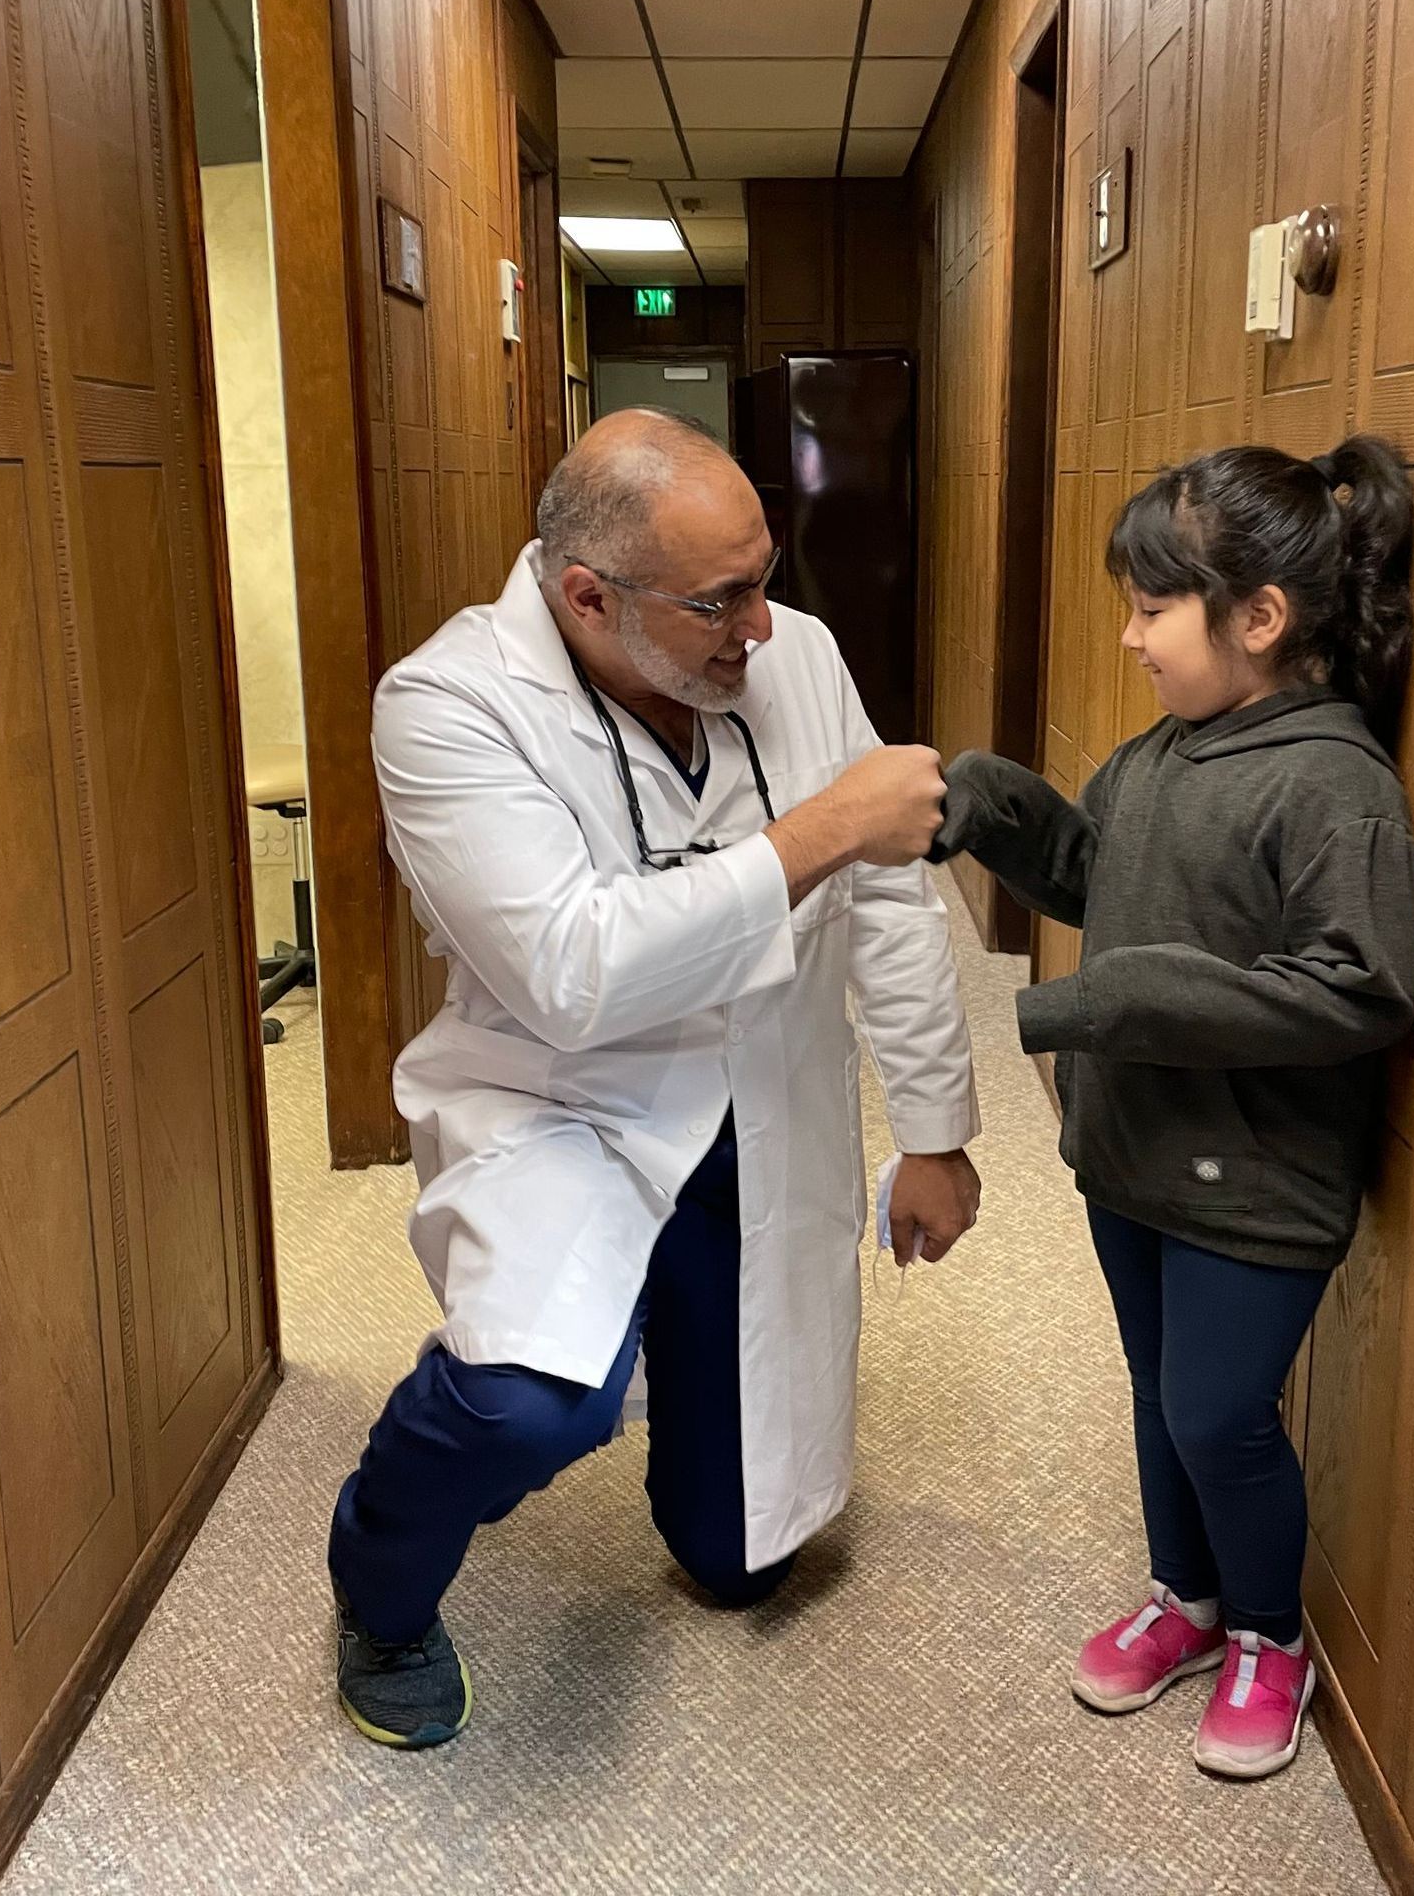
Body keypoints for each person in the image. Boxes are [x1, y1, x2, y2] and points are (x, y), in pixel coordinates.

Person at [327, 409, 982, 1748]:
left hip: (761, 1105)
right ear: (588, 596)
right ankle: (377, 1580)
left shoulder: (788, 654)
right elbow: (573, 970)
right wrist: (819, 832)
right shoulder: (447, 707)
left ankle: (670, 1360)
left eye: (764, 576)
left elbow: (893, 903)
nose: (761, 628)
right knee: (529, 1406)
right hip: (570, 1101)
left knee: (740, 1564)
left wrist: (934, 1129)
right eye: (720, 601)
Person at [931, 437, 1414, 1781]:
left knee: (1217, 1412)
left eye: (1155, 607)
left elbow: (1356, 989)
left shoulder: (1332, 783)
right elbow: (1100, 873)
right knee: (1158, 1392)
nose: (1132, 635)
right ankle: (1188, 1600)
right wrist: (994, 804)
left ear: (1260, 619)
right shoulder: (1166, 755)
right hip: (1135, 1154)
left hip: (1258, 1179)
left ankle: (1269, 1633)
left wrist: (1117, 1003)